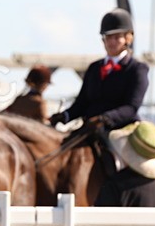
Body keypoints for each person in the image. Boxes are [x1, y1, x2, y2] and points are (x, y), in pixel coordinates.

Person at [49, 9, 149, 175]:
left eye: (117, 37)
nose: (111, 41)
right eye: (108, 37)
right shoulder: (94, 68)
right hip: (90, 128)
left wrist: (105, 118)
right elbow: (82, 103)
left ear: (127, 39)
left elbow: (131, 107)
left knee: (120, 165)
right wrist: (64, 116)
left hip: (119, 129)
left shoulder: (137, 69)